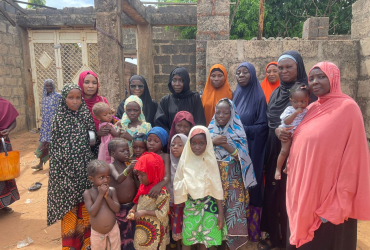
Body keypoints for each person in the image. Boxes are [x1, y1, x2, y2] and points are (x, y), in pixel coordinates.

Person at [286, 62, 370, 250]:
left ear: (334, 78)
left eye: (321, 76)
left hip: (327, 196)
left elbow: (354, 159)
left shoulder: (348, 108)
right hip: (303, 189)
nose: (315, 82)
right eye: (312, 78)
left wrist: (339, 199)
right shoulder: (312, 108)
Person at [260, 51, 316, 250]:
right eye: (281, 68)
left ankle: (291, 240)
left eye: (288, 67)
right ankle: (275, 238)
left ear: (298, 67)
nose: (283, 71)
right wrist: (277, 130)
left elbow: (314, 120)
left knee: (291, 195)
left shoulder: (307, 91)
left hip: (297, 150)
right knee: (274, 192)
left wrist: (290, 132)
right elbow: (272, 120)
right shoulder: (277, 92)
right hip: (274, 149)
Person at [47, 84, 99, 249]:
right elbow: (55, 152)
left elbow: (93, 143)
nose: (75, 101)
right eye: (71, 97)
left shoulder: (85, 115)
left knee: (86, 207)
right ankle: (70, 245)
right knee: (70, 211)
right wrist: (63, 177)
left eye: (78, 98)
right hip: (67, 176)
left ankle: (88, 244)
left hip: (85, 174)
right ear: (64, 99)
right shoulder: (59, 119)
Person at [209, 98, 253, 250]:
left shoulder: (238, 131)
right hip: (214, 177)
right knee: (215, 209)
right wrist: (212, 141)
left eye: (225, 113)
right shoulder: (209, 131)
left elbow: (242, 156)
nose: (221, 115)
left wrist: (225, 145)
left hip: (233, 177)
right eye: (218, 112)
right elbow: (199, 150)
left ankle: (232, 244)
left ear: (232, 114)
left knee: (233, 210)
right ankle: (218, 242)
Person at [173, 126, 227, 249]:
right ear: (189, 144)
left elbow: (217, 188)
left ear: (207, 143)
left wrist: (221, 213)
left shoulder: (210, 161)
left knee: (206, 242)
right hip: (191, 207)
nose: (197, 147)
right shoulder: (185, 161)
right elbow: (178, 182)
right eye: (193, 143)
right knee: (188, 239)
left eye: (201, 143)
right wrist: (188, 185)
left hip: (210, 207)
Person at [233, 62, 268, 242]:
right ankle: (236, 231)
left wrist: (242, 129)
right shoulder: (236, 94)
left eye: (245, 72)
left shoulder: (259, 97)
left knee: (252, 187)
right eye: (238, 73)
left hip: (252, 151)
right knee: (235, 188)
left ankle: (253, 232)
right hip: (234, 150)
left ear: (252, 75)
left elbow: (263, 127)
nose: (241, 76)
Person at [128, 152, 170, 250]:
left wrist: (144, 212)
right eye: (138, 174)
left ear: (153, 173)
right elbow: (139, 201)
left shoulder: (161, 193)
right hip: (142, 228)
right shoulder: (143, 187)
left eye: (142, 175)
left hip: (156, 231)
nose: (139, 177)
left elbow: (162, 213)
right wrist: (133, 209)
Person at [155, 67, 206, 133]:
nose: (177, 84)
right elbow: (160, 123)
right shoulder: (165, 101)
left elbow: (199, 122)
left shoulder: (194, 98)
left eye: (181, 80)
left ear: (186, 81)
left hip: (190, 140)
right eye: (174, 80)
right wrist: (172, 137)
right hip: (171, 141)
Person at [275, 82, 309, 180]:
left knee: (293, 152)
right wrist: (295, 113)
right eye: (296, 102)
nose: (299, 104)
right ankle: (278, 169)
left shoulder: (307, 110)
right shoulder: (289, 110)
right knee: (284, 151)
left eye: (303, 102)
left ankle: (287, 167)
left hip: (298, 135)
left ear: (308, 101)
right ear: (291, 100)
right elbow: (286, 121)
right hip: (287, 132)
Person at [83, 160, 121, 250]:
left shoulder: (112, 190)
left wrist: (107, 197)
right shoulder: (88, 193)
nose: (106, 180)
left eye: (107, 176)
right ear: (91, 179)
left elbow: (117, 209)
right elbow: (92, 212)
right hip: (97, 234)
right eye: (101, 177)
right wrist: (100, 195)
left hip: (113, 231)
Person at [108, 139, 138, 250]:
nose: (126, 153)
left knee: (132, 236)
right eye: (122, 151)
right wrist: (130, 169)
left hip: (131, 207)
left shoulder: (127, 165)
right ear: (113, 154)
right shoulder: (111, 167)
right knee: (122, 237)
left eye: (127, 150)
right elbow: (118, 178)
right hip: (119, 209)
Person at [32, 79, 61, 171]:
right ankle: (40, 164)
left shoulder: (58, 96)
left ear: (53, 86)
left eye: (50, 85)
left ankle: (56, 166)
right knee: (44, 144)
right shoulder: (44, 97)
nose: (49, 88)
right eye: (47, 86)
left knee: (55, 145)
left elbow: (61, 110)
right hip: (45, 125)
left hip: (55, 124)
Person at [167, 133, 187, 248]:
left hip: (186, 201)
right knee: (176, 225)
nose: (175, 147)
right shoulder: (168, 162)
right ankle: (178, 246)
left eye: (180, 145)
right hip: (173, 201)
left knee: (185, 226)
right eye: (173, 144)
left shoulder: (188, 164)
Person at [0, 97, 20, 214]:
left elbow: (14, 121)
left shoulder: (5, 104)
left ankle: (4, 204)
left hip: (3, 144)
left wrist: (8, 130)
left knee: (5, 173)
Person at [78, 70, 110, 134]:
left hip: (103, 141)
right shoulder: (77, 103)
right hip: (83, 142)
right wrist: (97, 134)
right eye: (87, 82)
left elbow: (108, 119)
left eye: (94, 83)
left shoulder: (102, 100)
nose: (91, 86)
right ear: (81, 83)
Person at [146, 127, 170, 197]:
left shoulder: (165, 156)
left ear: (162, 143)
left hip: (160, 190)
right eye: (149, 140)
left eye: (156, 141)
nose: (151, 143)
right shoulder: (145, 156)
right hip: (146, 189)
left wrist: (158, 186)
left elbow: (167, 176)